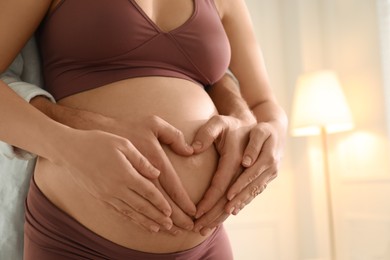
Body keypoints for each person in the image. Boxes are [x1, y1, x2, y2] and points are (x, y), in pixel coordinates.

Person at [0, 0, 288, 259]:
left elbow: (263, 102)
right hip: (77, 241)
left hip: (205, 244)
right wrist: (68, 147)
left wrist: (273, 134)